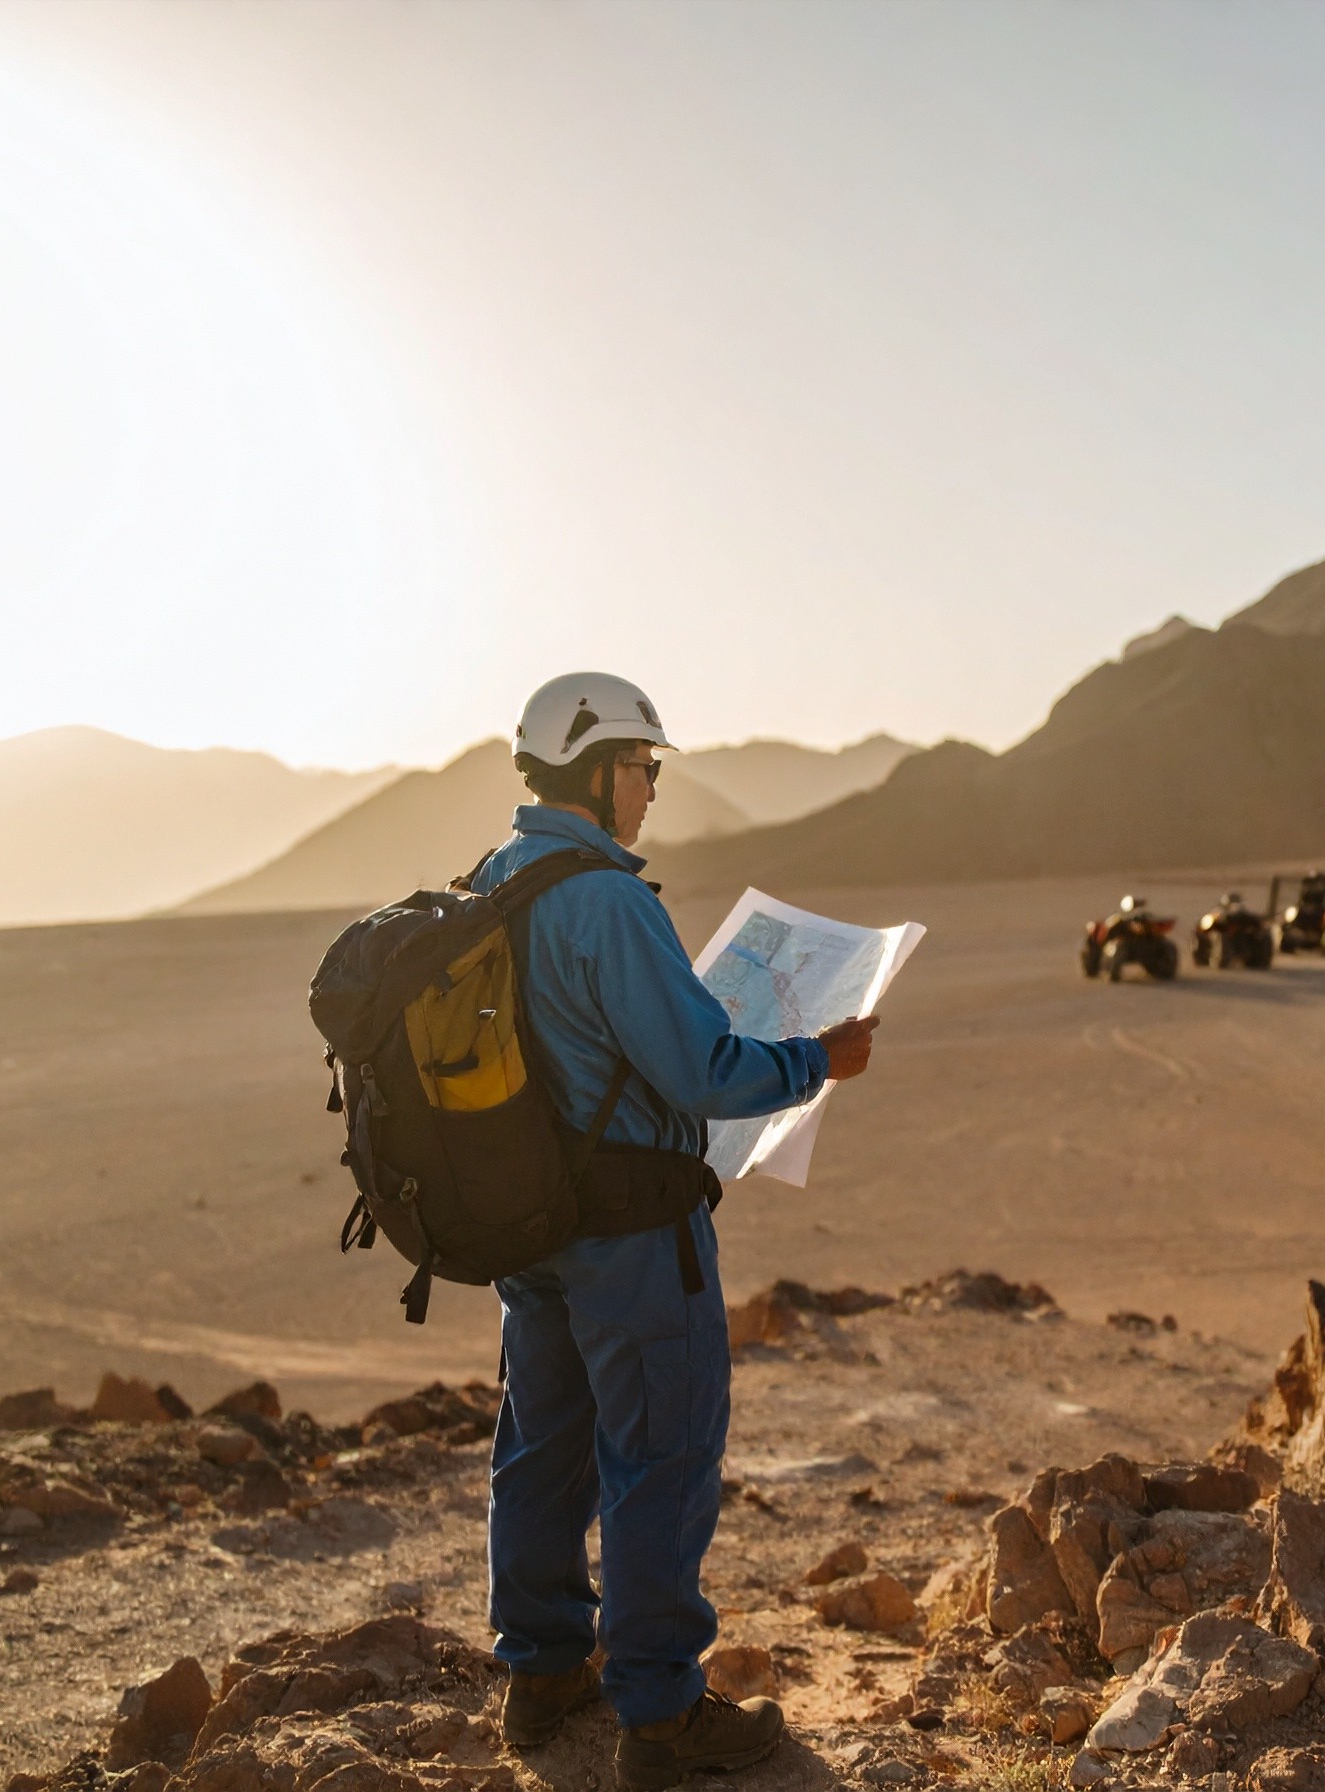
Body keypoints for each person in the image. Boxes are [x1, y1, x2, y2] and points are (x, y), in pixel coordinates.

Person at [479, 672, 879, 1791]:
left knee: (543, 1450)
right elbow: (702, 1068)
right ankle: (658, 1716)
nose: (652, 791)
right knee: (658, 1457)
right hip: (633, 1239)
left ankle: (545, 1670)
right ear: (601, 767)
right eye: (646, 768)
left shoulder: (499, 879)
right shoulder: (605, 898)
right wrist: (818, 1061)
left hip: (534, 1229)